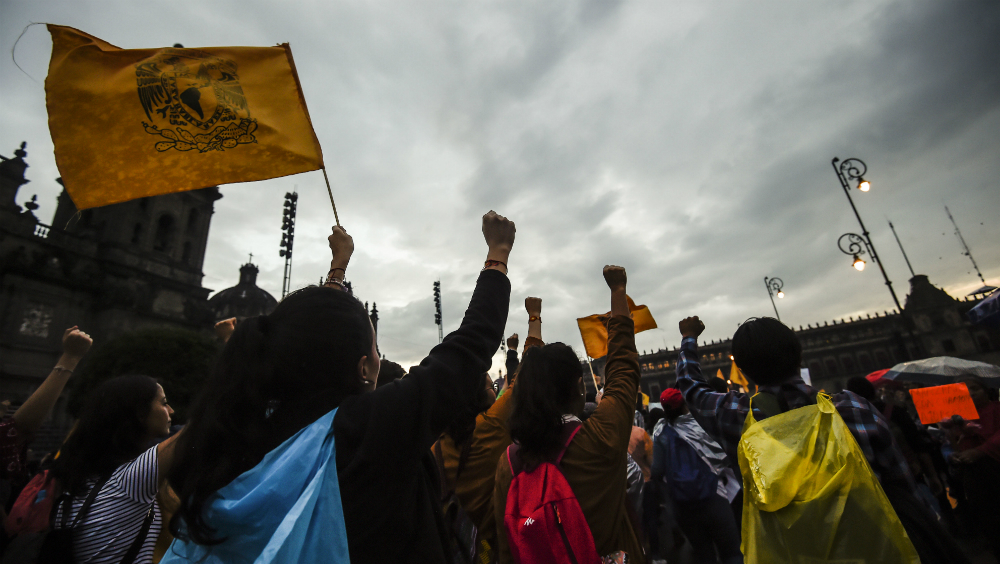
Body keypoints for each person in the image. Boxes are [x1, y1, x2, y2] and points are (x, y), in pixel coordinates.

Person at [165, 212, 515, 564]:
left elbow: (312, 340)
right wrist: (497, 254)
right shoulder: (363, 433)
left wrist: (338, 269)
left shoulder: (244, 434)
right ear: (363, 367)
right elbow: (467, 348)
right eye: (374, 349)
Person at [675, 315, 968, 564]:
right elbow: (900, 483)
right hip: (875, 548)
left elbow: (690, 387)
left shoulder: (739, 419)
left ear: (743, 369)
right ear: (798, 354)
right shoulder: (852, 409)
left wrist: (689, 338)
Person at [494, 265, 644, 563]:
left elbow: (507, 546)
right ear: (579, 387)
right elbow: (623, 369)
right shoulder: (602, 438)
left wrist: (533, 323)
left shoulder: (508, 464)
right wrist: (618, 292)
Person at [435, 297, 545, 560]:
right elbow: (527, 375)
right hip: (495, 548)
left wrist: (512, 353)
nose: (490, 380)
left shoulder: (435, 441)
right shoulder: (490, 426)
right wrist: (534, 317)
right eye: (484, 376)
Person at [50, 374, 180, 564]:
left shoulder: (80, 479)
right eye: (163, 403)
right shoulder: (128, 481)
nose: (171, 410)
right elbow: (203, 426)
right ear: (139, 413)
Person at [651, 388, 742, 564]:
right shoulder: (702, 422)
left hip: (683, 505)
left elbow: (656, 470)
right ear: (685, 404)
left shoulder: (661, 432)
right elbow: (725, 455)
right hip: (714, 497)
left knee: (703, 554)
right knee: (731, 552)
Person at [947, 375, 1000, 559]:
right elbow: (962, 447)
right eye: (964, 391)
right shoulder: (961, 418)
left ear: (985, 390)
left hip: (996, 469)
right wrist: (956, 451)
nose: (970, 393)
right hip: (977, 479)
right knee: (989, 522)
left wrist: (981, 451)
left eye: (974, 388)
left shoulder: (996, 409)